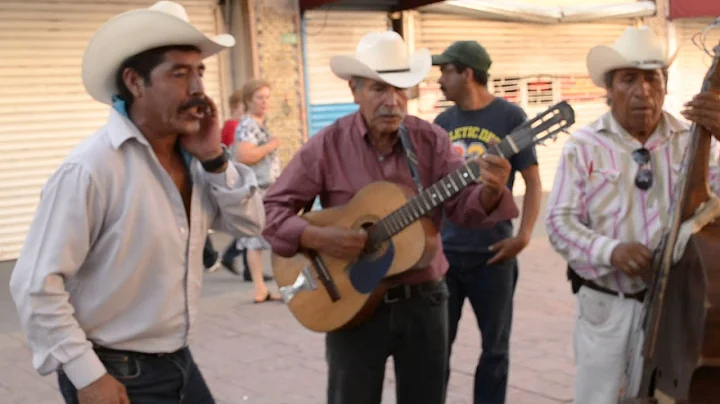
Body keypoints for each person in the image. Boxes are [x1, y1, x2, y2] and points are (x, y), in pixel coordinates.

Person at [8, 2, 265, 403]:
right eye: (179, 74)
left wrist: (216, 159)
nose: (198, 88)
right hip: (115, 372)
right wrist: (87, 376)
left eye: (200, 71)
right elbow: (34, 284)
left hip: (178, 362)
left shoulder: (197, 160)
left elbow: (251, 225)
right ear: (135, 82)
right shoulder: (91, 169)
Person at [262, 30, 519, 404]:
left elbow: (464, 208)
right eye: (379, 89)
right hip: (348, 302)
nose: (392, 101)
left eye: (400, 89)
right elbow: (273, 212)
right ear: (355, 90)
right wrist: (318, 237)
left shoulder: (430, 141)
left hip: (425, 301)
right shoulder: (327, 145)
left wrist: (492, 189)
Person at [545, 26, 720, 404]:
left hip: (676, 312)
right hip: (608, 309)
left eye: (652, 79)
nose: (643, 92)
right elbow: (559, 223)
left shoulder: (693, 139)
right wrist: (610, 251)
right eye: (629, 80)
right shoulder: (584, 147)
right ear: (609, 91)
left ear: (665, 85)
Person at [431, 40, 542, 404]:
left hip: (494, 255)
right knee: (436, 351)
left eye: (446, 71)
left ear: (467, 73)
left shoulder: (510, 118)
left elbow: (534, 182)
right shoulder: (442, 123)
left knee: (495, 350)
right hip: (446, 257)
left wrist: (523, 237)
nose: (439, 80)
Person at [231, 78, 282, 302]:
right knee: (257, 239)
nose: (265, 102)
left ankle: (267, 286)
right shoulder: (248, 125)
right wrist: (271, 145)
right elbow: (244, 155)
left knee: (266, 238)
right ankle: (260, 287)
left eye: (267, 97)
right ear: (248, 100)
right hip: (257, 190)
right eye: (259, 98)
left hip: (267, 188)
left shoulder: (259, 123)